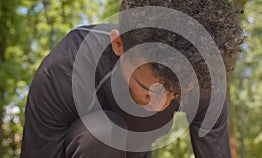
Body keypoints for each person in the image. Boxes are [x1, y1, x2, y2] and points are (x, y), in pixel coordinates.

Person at [21, 0, 241, 157]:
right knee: (100, 132)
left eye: (174, 93)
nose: (160, 104)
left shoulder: (197, 79)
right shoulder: (66, 70)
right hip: (87, 147)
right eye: (150, 90)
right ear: (119, 45)